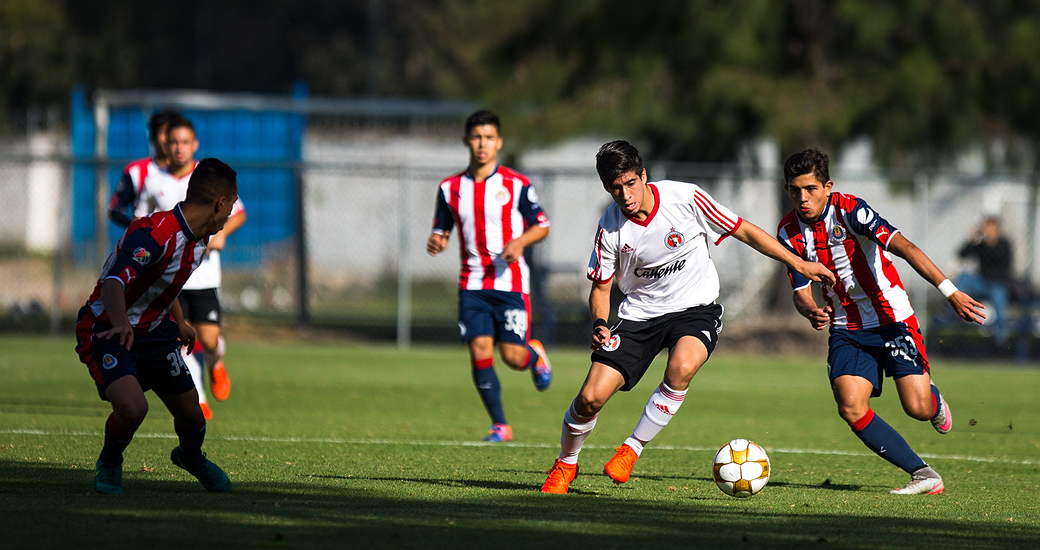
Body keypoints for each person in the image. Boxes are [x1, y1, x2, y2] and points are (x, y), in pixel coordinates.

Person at [540, 140, 836, 494]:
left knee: (681, 368)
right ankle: (566, 463)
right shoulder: (611, 228)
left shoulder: (685, 198)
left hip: (696, 309)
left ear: (643, 175)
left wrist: (798, 262)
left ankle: (631, 449)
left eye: (631, 183)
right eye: (616, 188)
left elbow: (743, 230)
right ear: (608, 188)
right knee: (590, 398)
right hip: (639, 315)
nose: (626, 195)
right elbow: (601, 291)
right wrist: (600, 324)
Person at [776, 148, 986, 495]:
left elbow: (905, 247)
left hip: (891, 319)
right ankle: (923, 474)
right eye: (795, 190)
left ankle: (931, 401)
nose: (803, 197)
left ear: (827, 186)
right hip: (846, 328)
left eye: (810, 188)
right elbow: (800, 290)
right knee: (850, 405)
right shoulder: (787, 232)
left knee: (916, 407)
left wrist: (950, 292)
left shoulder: (850, 211)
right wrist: (810, 309)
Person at [75, 157, 239, 495]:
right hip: (108, 328)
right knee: (133, 408)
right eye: (231, 207)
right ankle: (109, 461)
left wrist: (180, 321)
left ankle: (191, 458)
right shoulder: (155, 232)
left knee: (194, 418)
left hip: (156, 331)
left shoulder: (199, 239)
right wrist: (122, 324)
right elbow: (113, 283)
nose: (230, 216)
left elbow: (163, 284)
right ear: (219, 203)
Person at [426, 109, 553, 443]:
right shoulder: (450, 188)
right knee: (480, 348)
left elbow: (542, 225)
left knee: (512, 357)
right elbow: (442, 226)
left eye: (489, 138)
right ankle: (500, 425)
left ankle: (534, 354)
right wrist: (438, 239)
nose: (483, 144)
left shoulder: (516, 184)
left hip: (509, 282)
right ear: (467, 140)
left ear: (499, 142)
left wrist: (520, 242)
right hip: (472, 284)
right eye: (476, 137)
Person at [135, 117, 247, 420]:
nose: (178, 148)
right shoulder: (153, 181)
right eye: (173, 142)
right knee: (180, 338)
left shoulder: (206, 179)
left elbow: (238, 213)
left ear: (194, 145)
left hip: (204, 276)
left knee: (208, 339)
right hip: (170, 276)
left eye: (185, 142)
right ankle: (197, 396)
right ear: (164, 144)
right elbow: (141, 222)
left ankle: (216, 361)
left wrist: (220, 233)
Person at [107, 110, 185, 228]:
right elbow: (115, 209)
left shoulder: (195, 171)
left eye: (173, 133)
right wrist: (138, 231)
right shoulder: (137, 171)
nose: (170, 139)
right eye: (165, 132)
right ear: (153, 137)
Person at [957, 217, 1012, 346]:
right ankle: (956, 311)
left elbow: (1004, 264)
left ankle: (1001, 341)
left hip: (997, 283)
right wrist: (972, 240)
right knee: (964, 277)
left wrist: (989, 244)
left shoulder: (1004, 245)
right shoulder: (980, 246)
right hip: (981, 283)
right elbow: (962, 254)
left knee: (999, 301)